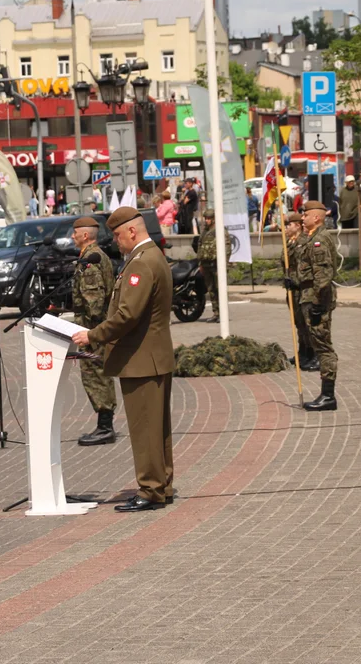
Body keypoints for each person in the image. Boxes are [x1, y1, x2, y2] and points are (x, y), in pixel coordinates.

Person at [71, 207, 175, 512]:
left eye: (117, 235)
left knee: (145, 430)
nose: (115, 241)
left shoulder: (141, 264)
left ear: (132, 231)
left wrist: (93, 335)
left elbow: (128, 315)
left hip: (143, 360)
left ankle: (151, 490)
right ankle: (162, 484)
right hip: (152, 357)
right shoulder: (151, 257)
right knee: (157, 429)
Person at [71, 216, 118, 446]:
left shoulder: (91, 261)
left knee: (95, 374)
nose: (73, 236)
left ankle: (105, 427)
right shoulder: (94, 256)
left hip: (93, 328)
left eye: (75, 232)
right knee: (99, 373)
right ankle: (105, 425)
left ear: (85, 235)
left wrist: (91, 331)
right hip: (96, 327)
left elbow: (95, 302)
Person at [296, 201, 339, 411]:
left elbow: (323, 276)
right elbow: (309, 270)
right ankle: (326, 395)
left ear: (317, 218)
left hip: (317, 301)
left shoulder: (319, 240)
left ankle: (328, 396)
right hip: (310, 297)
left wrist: (318, 304)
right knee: (319, 344)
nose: (302, 218)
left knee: (323, 347)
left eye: (305, 215)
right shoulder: (312, 238)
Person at [282, 212, 317, 371]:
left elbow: (303, 266)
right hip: (293, 289)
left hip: (301, 288)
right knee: (299, 324)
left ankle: (313, 354)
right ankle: (303, 352)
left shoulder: (303, 242)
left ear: (297, 226)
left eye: (289, 225)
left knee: (307, 324)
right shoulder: (290, 242)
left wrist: (295, 280)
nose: (286, 228)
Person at [196, 209, 232, 324]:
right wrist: (200, 264)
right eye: (205, 218)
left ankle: (223, 313)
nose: (206, 221)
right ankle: (216, 313)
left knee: (219, 289)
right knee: (211, 290)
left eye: (208, 219)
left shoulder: (220, 230)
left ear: (213, 219)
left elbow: (227, 247)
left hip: (217, 264)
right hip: (206, 264)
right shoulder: (204, 232)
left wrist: (224, 263)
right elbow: (200, 246)